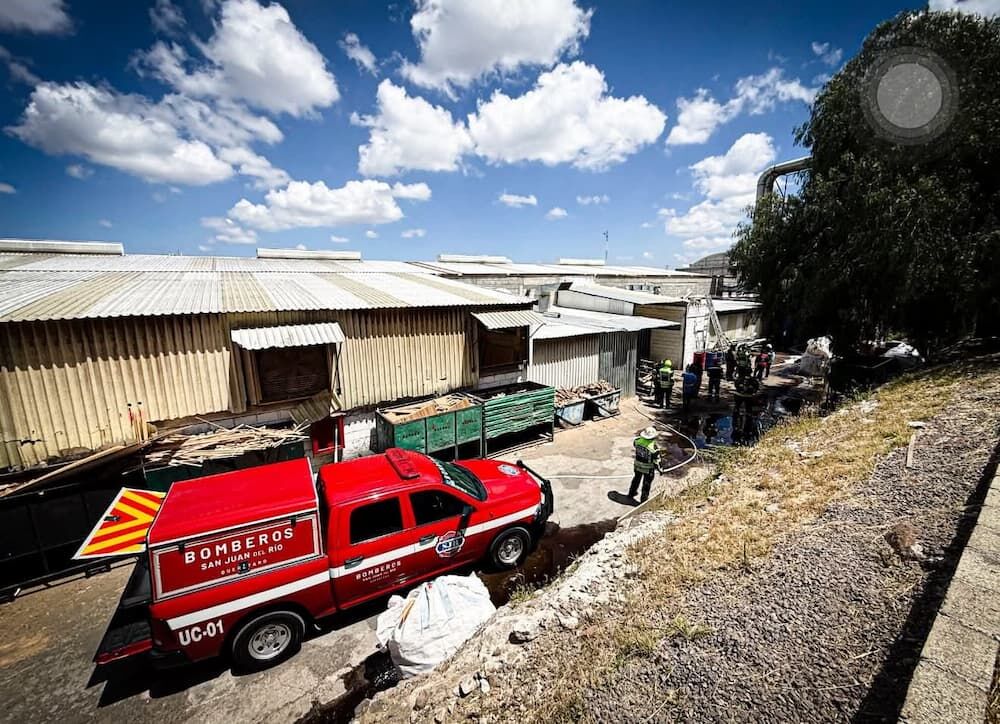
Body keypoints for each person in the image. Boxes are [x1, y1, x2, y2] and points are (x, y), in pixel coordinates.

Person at [628, 426, 660, 502]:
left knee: (636, 479)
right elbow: (656, 461)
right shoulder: (654, 448)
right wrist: (660, 469)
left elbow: (635, 446)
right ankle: (643, 500)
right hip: (648, 469)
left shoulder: (637, 441)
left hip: (637, 465)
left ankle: (631, 493)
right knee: (646, 484)